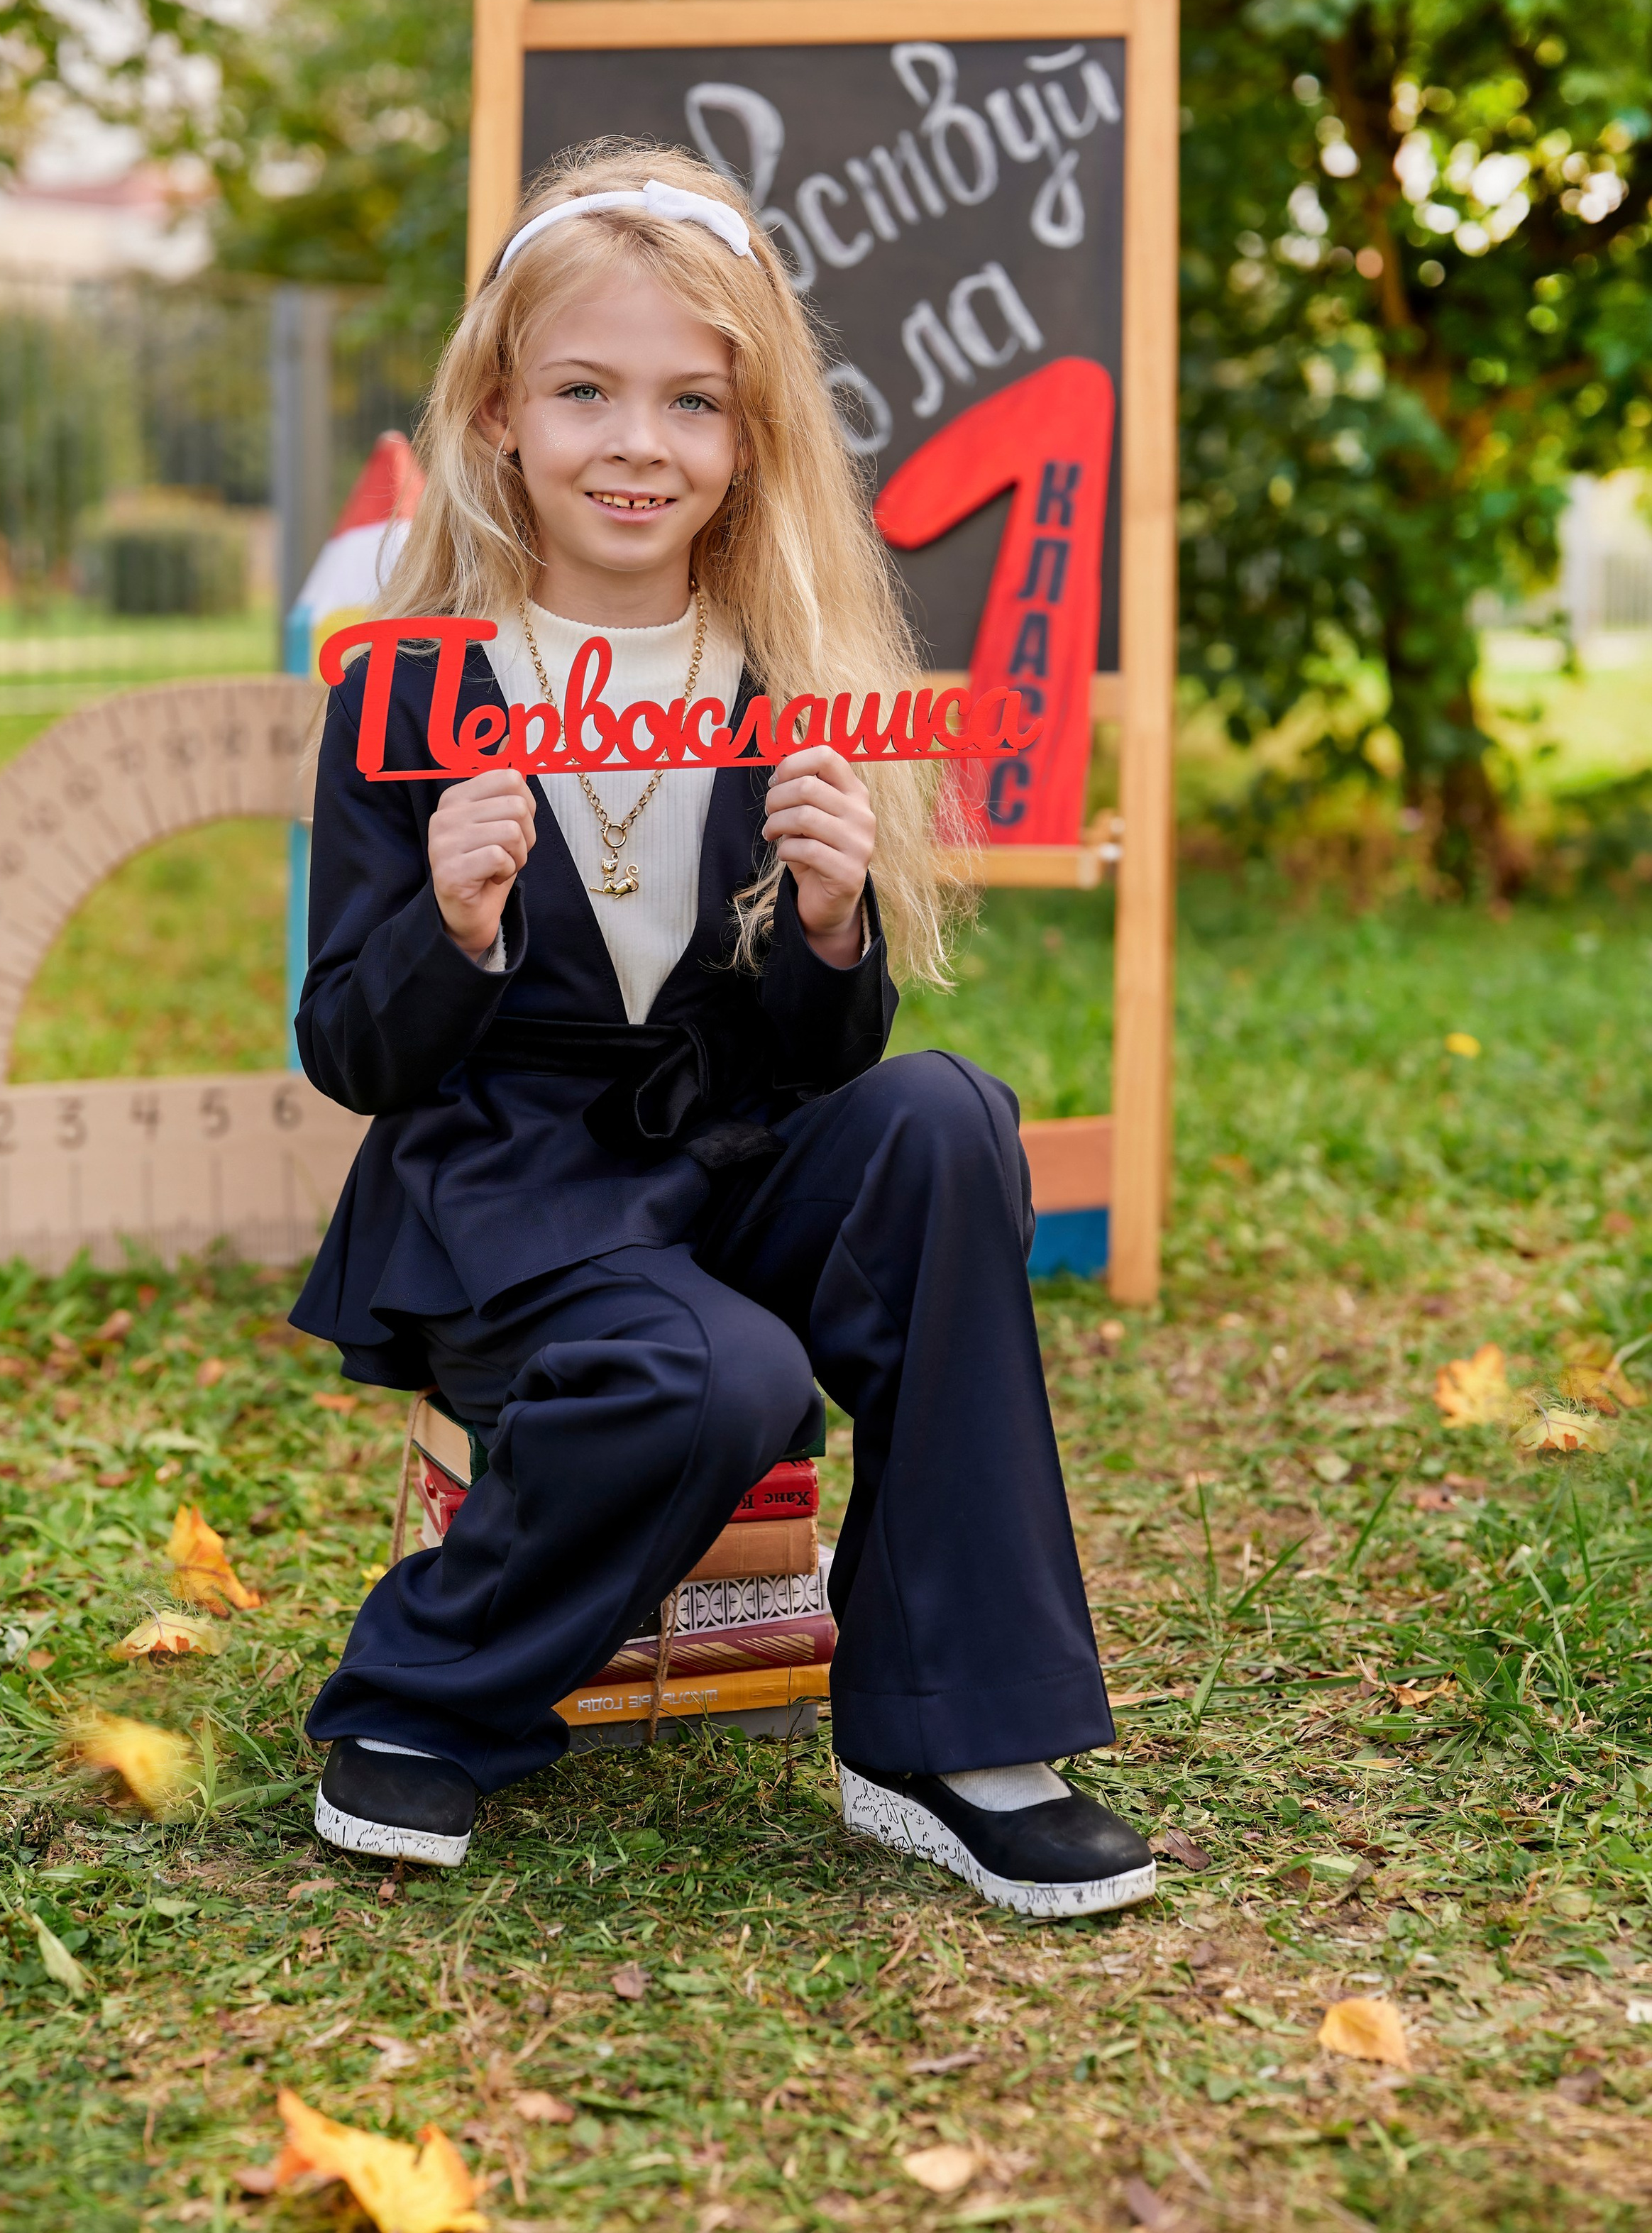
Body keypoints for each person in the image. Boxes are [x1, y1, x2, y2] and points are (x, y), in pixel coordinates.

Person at [289, 140, 1154, 1921]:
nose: (637, 441)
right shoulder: (410, 685)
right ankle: (421, 1688)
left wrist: (830, 923)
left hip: (727, 1158)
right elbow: (350, 1050)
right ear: (501, 412)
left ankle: (941, 1730)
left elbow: (823, 1058)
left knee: (939, 1113)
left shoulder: (781, 681)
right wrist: (450, 928)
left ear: (746, 439)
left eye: (691, 400)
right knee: (722, 1372)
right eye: (586, 390)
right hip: (512, 1196)